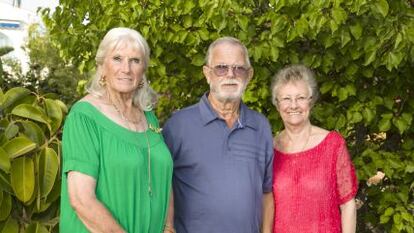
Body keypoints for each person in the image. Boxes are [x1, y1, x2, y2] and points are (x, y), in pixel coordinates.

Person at [59, 27, 173, 233]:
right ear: (102, 67)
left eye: (135, 61)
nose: (126, 69)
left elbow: (163, 178)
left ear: (143, 70)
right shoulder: (84, 117)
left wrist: (169, 227)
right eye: (117, 58)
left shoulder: (149, 117)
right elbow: (81, 200)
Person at [162, 37, 274, 233]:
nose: (230, 75)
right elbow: (160, 186)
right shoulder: (178, 126)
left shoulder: (261, 126)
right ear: (207, 73)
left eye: (239, 68)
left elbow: (266, 193)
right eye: (221, 67)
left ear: (249, 75)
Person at [270, 64, 358, 233]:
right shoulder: (269, 149)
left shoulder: (332, 144)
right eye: (286, 99)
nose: (293, 105)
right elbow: (265, 204)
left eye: (301, 98)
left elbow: (348, 204)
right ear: (277, 105)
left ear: (311, 101)